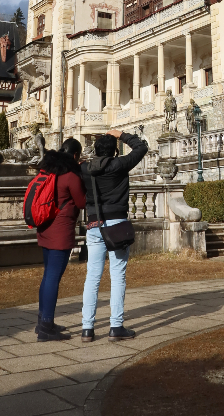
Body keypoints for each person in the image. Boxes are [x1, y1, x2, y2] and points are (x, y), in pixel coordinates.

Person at [80, 128, 148, 342]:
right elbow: (141, 147)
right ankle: (115, 326)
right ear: (114, 153)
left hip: (94, 223)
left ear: (95, 152)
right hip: (116, 223)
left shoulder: (84, 169)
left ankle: (87, 328)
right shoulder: (119, 165)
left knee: (92, 276)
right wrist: (121, 135)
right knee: (117, 275)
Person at [35, 137, 86, 341]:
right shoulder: (70, 175)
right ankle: (46, 325)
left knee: (48, 275)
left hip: (45, 227)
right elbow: (82, 202)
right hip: (61, 231)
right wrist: (80, 175)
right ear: (75, 155)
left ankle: (43, 321)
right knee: (53, 277)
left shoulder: (49, 170)